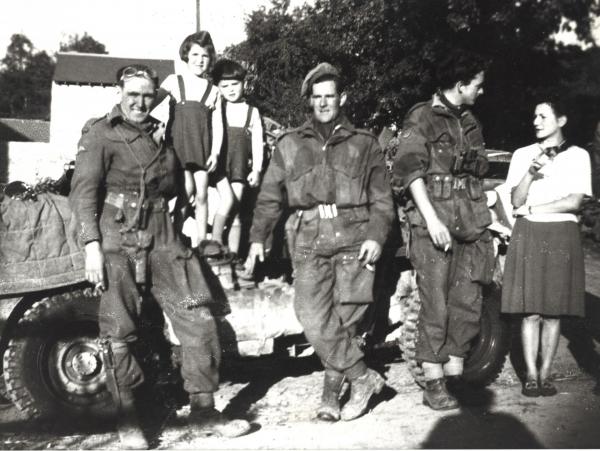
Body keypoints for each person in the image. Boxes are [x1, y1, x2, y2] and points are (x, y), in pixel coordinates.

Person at [69, 64, 250, 449]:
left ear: (155, 96)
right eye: (132, 93)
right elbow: (83, 193)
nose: (139, 102)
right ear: (120, 92)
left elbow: (172, 186)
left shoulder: (158, 134)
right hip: (120, 240)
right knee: (119, 331)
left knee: (197, 316)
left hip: (164, 238)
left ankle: (203, 411)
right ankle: (129, 419)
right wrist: (92, 246)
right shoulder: (101, 133)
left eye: (147, 95)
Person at [244, 63, 394, 422]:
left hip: (354, 236)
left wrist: (376, 236)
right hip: (308, 236)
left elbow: (383, 200)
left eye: (330, 96)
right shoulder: (290, 143)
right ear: (309, 101)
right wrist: (257, 238)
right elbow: (269, 196)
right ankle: (363, 378)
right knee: (310, 315)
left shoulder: (364, 143)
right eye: (318, 97)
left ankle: (331, 395)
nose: (324, 103)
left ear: (342, 98)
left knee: (347, 320)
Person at [391, 49, 494, 411]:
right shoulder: (421, 118)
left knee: (467, 302)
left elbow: (475, 171)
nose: (481, 91)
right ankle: (433, 382)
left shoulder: (470, 122)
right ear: (460, 84)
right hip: (434, 221)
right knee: (434, 303)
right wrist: (432, 220)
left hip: (469, 220)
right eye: (477, 85)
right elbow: (409, 173)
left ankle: (455, 378)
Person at [501, 99, 591, 397]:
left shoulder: (579, 156)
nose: (536, 121)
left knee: (553, 312)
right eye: (534, 115)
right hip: (529, 233)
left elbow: (574, 202)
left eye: (543, 115)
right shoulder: (523, 154)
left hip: (561, 233)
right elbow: (515, 201)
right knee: (530, 312)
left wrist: (535, 207)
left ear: (561, 119)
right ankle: (530, 375)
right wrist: (530, 172)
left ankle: (546, 374)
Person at [155, 31, 227, 256]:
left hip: (202, 150)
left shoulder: (214, 91)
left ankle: (201, 244)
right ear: (186, 56)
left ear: (210, 59)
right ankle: (174, 238)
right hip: (177, 150)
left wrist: (215, 153)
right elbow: (150, 101)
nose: (199, 60)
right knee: (185, 191)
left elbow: (218, 126)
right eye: (195, 54)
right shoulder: (174, 82)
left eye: (205, 56)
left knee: (203, 193)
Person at [211, 58, 264, 266]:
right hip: (221, 164)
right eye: (225, 86)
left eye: (235, 84)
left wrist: (257, 169)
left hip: (240, 166)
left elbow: (258, 143)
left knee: (237, 209)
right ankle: (214, 243)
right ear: (218, 88)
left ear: (244, 83)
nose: (231, 90)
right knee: (227, 202)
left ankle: (232, 255)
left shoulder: (252, 111)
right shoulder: (217, 109)